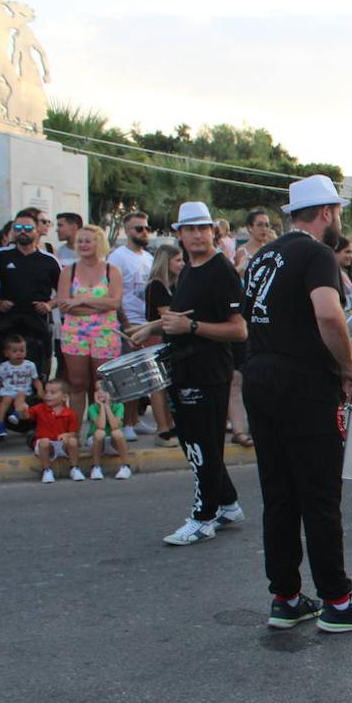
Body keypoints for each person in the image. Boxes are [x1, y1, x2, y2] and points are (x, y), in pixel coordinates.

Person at [241, 175, 352, 633]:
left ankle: (285, 597)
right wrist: (348, 367)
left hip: (259, 375)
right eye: (337, 212)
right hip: (302, 383)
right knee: (320, 495)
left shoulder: (263, 255)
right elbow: (328, 313)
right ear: (326, 212)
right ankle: (338, 602)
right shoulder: (316, 253)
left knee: (279, 493)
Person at [129, 202, 247, 546]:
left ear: (213, 232)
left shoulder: (220, 270)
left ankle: (203, 517)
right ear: (179, 234)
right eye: (190, 229)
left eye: (203, 228)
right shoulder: (191, 269)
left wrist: (191, 326)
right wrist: (149, 326)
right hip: (185, 368)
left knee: (201, 447)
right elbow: (181, 315)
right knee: (196, 443)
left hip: (208, 371)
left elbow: (239, 330)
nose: (197, 235)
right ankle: (226, 504)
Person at [56, 225, 122, 423]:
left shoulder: (112, 270)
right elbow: (64, 306)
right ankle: (74, 433)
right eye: (80, 241)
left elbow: (115, 303)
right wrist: (97, 307)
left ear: (99, 243)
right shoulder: (69, 271)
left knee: (101, 385)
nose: (83, 244)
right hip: (75, 333)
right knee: (77, 383)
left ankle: (102, 430)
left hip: (105, 333)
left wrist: (79, 301)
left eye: (88, 240)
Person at [0, 209, 59, 380]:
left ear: (37, 230)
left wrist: (49, 305)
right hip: (8, 318)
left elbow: (63, 292)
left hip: (37, 320)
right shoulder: (1, 256)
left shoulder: (49, 260)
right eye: (18, 227)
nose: (22, 231)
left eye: (28, 228)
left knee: (39, 364)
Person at [107, 211, 155, 441]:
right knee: (128, 376)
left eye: (146, 228)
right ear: (127, 230)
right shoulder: (117, 257)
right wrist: (125, 323)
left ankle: (134, 419)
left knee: (143, 377)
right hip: (128, 324)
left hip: (146, 323)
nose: (144, 232)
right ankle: (125, 423)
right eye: (138, 228)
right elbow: (115, 293)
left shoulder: (148, 257)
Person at [143, 243, 182, 446]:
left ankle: (170, 424)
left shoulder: (173, 284)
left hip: (166, 339)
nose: (181, 264)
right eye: (177, 260)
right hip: (155, 339)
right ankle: (162, 428)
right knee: (158, 386)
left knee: (167, 385)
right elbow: (166, 316)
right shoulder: (157, 285)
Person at [31, 379, 80, 483]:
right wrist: (21, 409)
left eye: (52, 393)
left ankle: (74, 468)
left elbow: (73, 432)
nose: (47, 395)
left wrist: (67, 435)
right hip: (46, 445)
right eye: (46, 392)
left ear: (64, 397)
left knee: (73, 441)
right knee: (44, 442)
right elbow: (26, 415)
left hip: (61, 445)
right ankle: (47, 470)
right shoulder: (39, 408)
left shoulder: (71, 414)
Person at [0, 332, 39, 438]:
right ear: (6, 353)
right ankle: (0, 424)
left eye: (22, 351)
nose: (19, 354)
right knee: (5, 400)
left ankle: (16, 414)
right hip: (8, 390)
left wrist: (40, 390)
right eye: (14, 351)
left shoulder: (30, 365)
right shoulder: (4, 366)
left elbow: (35, 379)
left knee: (20, 394)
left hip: (24, 390)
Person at [85, 381, 132, 480]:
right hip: (97, 443)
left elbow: (115, 426)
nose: (100, 392)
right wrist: (102, 406)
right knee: (99, 433)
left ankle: (126, 466)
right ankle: (96, 467)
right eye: (98, 389)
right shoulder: (92, 407)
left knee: (117, 433)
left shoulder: (119, 406)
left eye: (104, 390)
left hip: (113, 442)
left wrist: (107, 405)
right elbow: (100, 426)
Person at [234, 209, 273, 274]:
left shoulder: (271, 249)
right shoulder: (242, 252)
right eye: (259, 225)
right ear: (250, 227)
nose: (264, 229)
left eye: (267, 225)